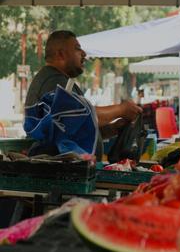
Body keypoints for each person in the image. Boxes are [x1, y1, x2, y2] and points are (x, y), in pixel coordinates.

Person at [25, 30, 143, 160]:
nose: (84, 54)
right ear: (61, 54)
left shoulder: (61, 81)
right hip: (57, 174)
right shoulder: (53, 81)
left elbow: (74, 129)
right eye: (77, 49)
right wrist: (121, 109)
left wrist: (112, 129)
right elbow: (81, 115)